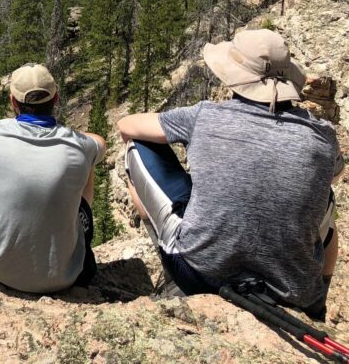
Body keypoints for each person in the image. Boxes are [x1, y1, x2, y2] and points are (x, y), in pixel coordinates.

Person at [118, 28, 341, 317]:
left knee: (138, 146)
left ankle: (163, 238)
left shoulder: (204, 115)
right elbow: (332, 175)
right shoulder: (323, 134)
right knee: (327, 197)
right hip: (294, 291)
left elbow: (127, 125)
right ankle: (320, 292)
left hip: (200, 276)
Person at [0, 63, 107, 293]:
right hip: (64, 276)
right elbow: (99, 142)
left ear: (13, 101)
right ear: (56, 100)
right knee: (88, 161)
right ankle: (67, 235)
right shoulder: (81, 145)